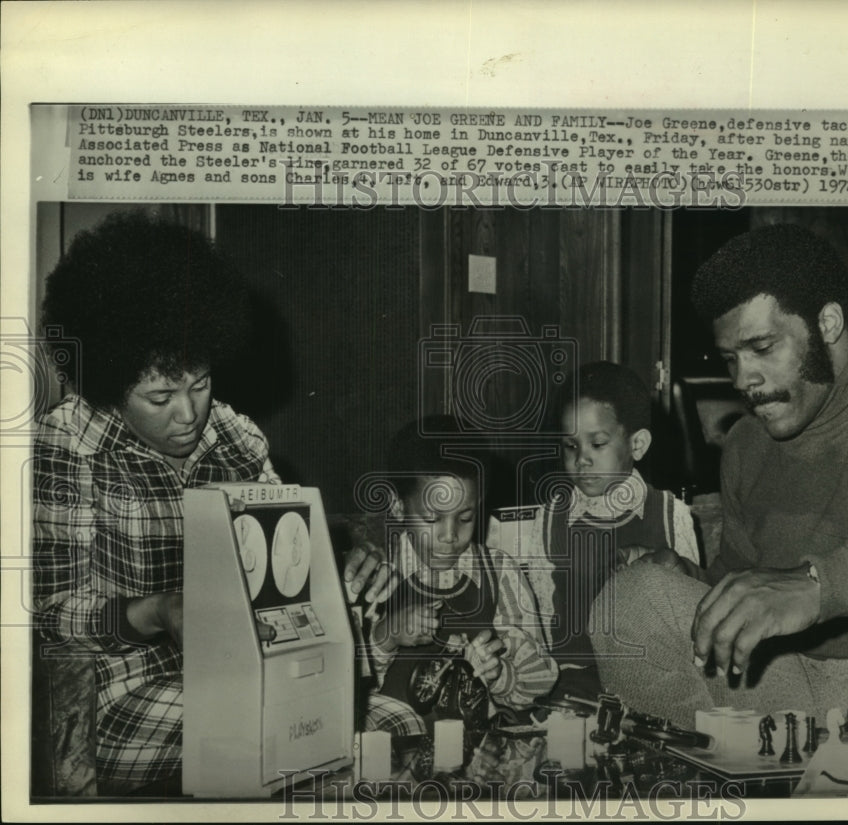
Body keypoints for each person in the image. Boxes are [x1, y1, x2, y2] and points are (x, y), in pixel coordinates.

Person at [32, 211, 399, 795]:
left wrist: (342, 567)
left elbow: (286, 575)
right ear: (106, 379)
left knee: (394, 728)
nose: (189, 414)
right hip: (123, 694)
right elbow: (47, 615)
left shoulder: (236, 437)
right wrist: (154, 612)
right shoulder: (68, 445)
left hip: (246, 677)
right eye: (159, 395)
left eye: (199, 383)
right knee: (311, 756)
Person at [589, 224, 848, 746]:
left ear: (828, 323)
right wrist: (698, 579)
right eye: (730, 358)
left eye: (762, 347)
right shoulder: (747, 444)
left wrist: (818, 585)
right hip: (782, 688)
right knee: (631, 598)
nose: (743, 380)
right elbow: (746, 579)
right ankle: (706, 784)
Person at [488, 361, 700, 704]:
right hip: (574, 690)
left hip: (657, 687)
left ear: (638, 445)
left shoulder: (671, 515)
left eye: (597, 444)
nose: (581, 459)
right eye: (571, 446)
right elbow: (536, 629)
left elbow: (694, 619)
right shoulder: (548, 520)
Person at [367, 417, 558, 728]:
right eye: (432, 518)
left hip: (477, 752)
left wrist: (500, 675)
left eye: (465, 517)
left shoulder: (500, 574)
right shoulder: (376, 576)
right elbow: (340, 686)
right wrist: (386, 636)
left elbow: (541, 682)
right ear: (398, 506)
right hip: (390, 750)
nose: (450, 535)